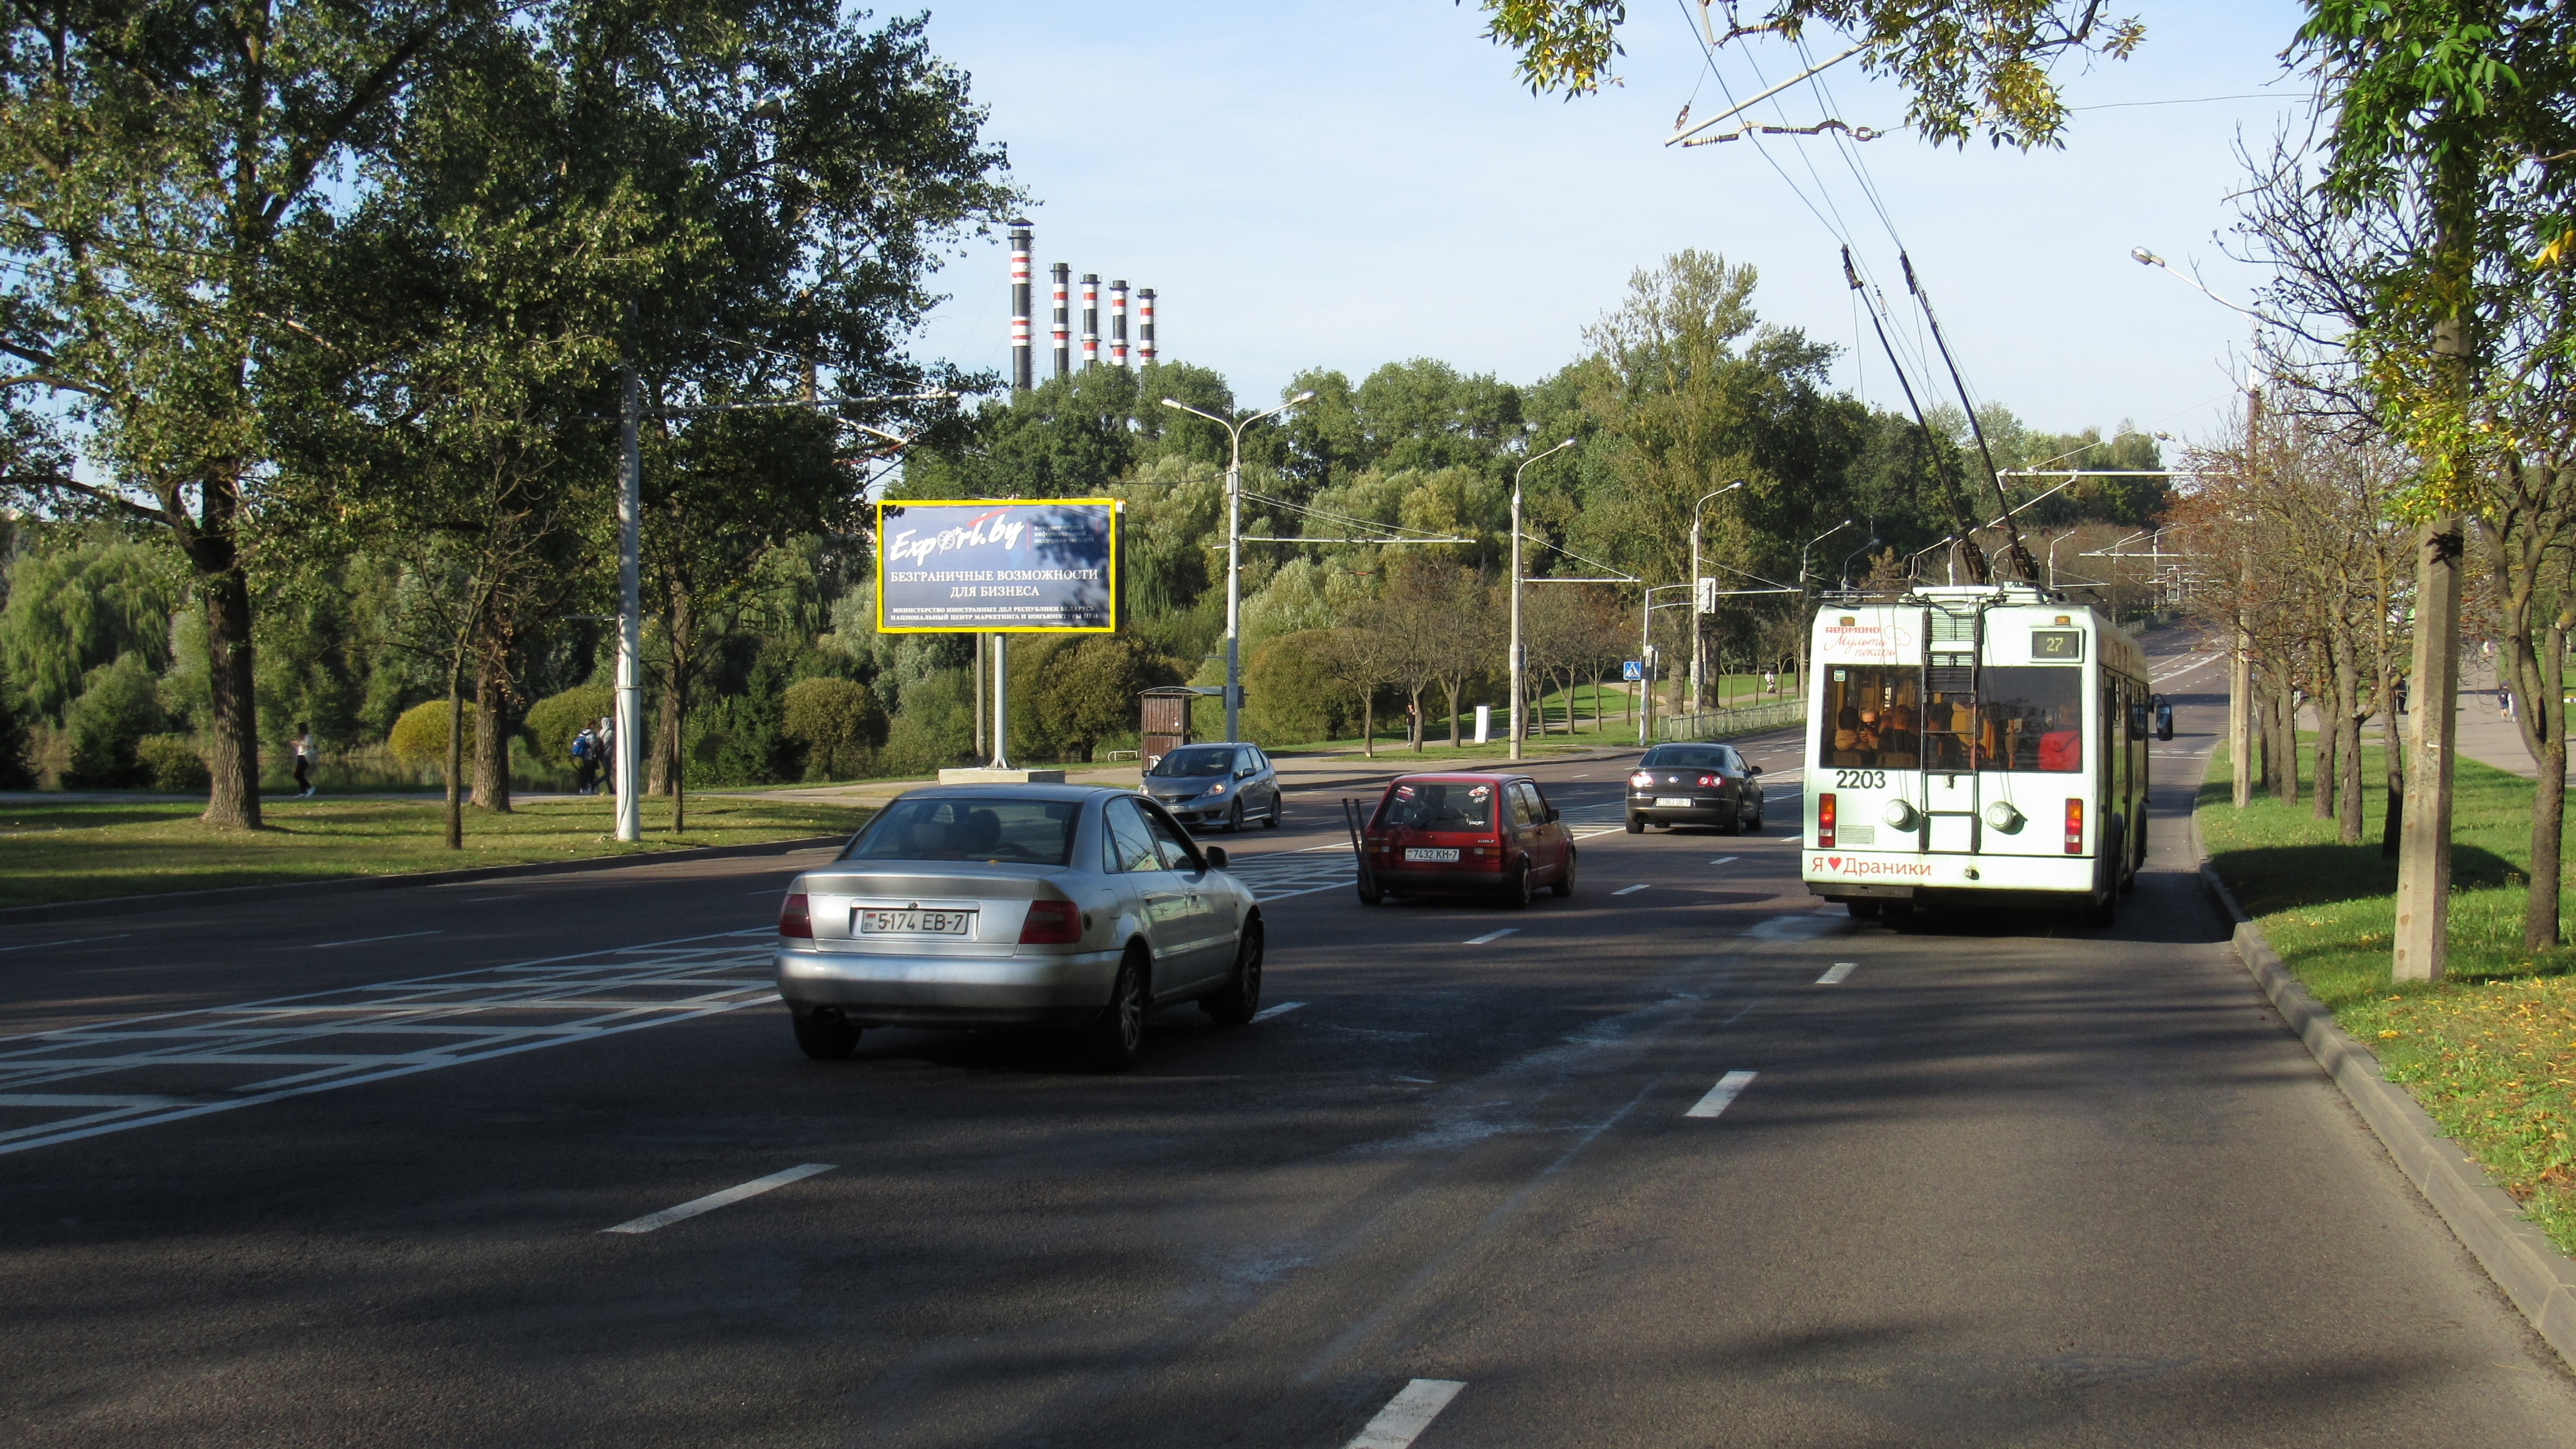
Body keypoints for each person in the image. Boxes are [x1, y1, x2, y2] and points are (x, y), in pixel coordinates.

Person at [291, 723, 317, 797]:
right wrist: (296, 744)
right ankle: (303, 792)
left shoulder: (308, 737)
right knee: (301, 775)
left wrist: (298, 743)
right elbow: (302, 746)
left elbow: (308, 747)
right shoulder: (302, 737)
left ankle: (310, 788)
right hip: (300, 756)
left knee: (297, 775)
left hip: (305, 757)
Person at [571, 726, 597, 795]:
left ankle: (584, 788)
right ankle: (589, 788)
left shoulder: (582, 734)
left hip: (584, 755)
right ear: (592, 726)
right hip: (590, 755)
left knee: (586, 772)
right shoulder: (591, 735)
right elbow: (593, 746)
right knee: (591, 773)